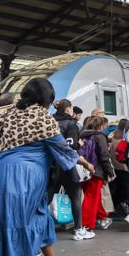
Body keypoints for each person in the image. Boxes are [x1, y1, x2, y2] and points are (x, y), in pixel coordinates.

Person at [0, 78, 95, 256]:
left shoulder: (7, 115)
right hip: (21, 177)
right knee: (14, 221)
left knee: (38, 216)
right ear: (45, 101)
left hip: (1, 173)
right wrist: (86, 163)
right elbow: (62, 149)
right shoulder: (42, 118)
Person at [48, 99, 94, 241]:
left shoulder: (50, 122)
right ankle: (79, 229)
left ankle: (37, 229)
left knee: (47, 198)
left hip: (51, 165)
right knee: (75, 195)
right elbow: (70, 147)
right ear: (68, 109)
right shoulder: (71, 125)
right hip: (66, 166)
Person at [79, 116, 116, 230]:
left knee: (94, 195)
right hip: (96, 171)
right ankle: (85, 225)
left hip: (83, 170)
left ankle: (102, 216)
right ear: (101, 126)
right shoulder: (100, 136)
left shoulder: (83, 135)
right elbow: (104, 156)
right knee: (91, 197)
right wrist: (110, 172)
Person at [109, 119, 129, 215]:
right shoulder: (125, 138)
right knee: (126, 187)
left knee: (117, 187)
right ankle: (123, 204)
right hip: (124, 166)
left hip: (115, 165)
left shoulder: (113, 136)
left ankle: (114, 205)